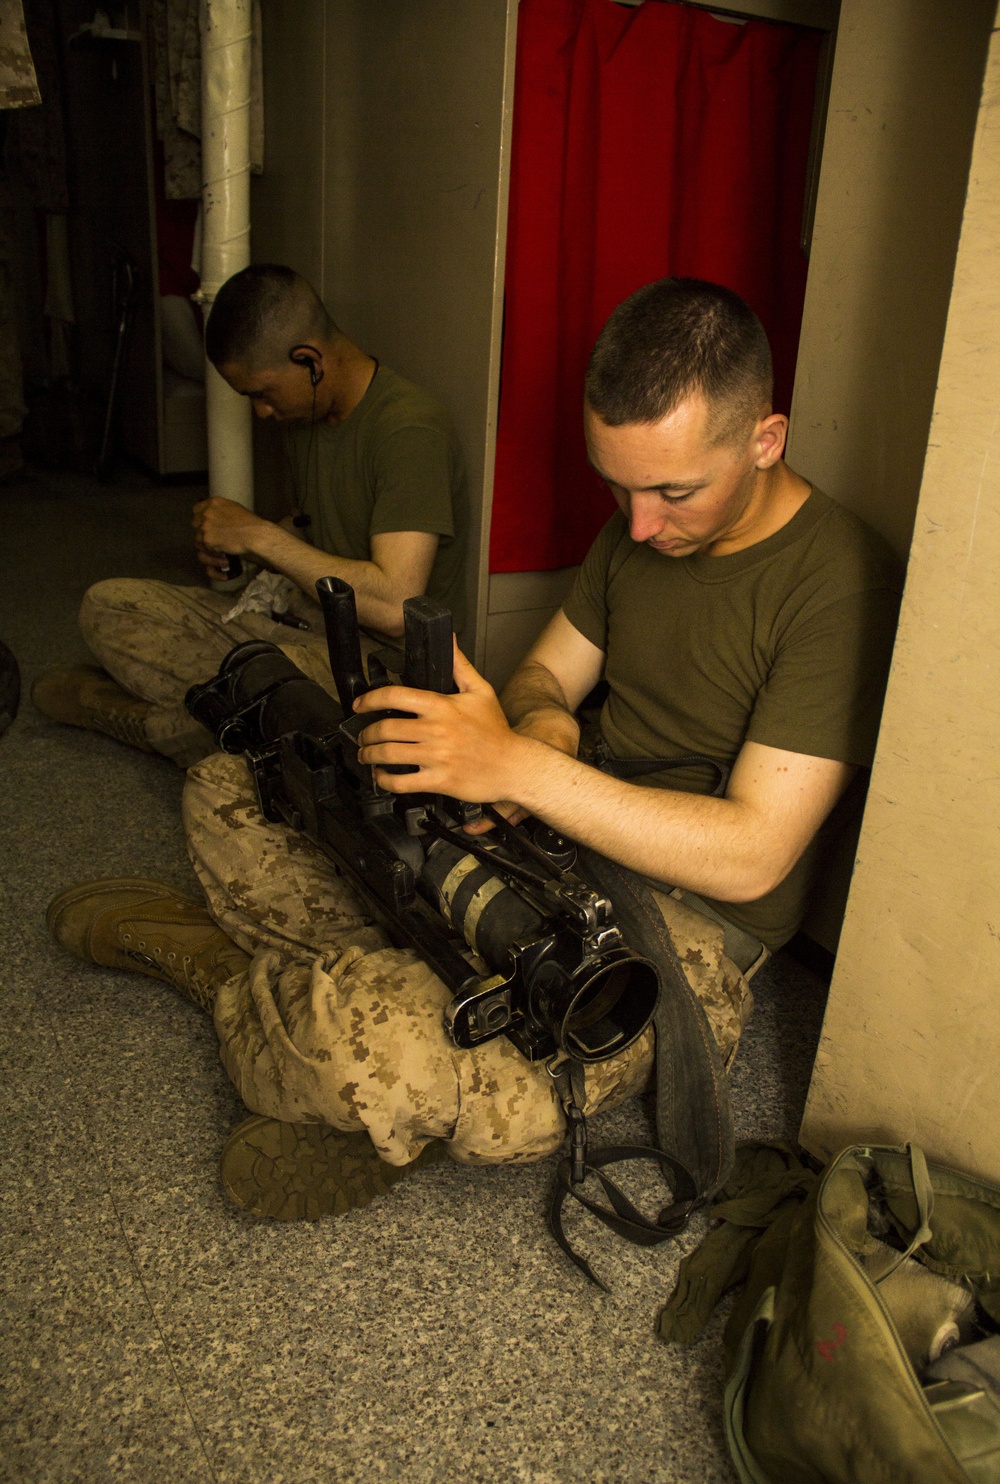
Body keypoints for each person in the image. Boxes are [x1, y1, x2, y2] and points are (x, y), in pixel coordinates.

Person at [46, 279, 901, 1222]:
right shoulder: (639, 532)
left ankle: (232, 978)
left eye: (673, 491)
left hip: (677, 926)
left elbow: (754, 854)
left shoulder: (839, 582)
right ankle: (369, 1004)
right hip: (553, 834)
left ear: (766, 440)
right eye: (617, 485)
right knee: (234, 791)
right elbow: (541, 681)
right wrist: (539, 730)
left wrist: (524, 769)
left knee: (365, 1047)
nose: (641, 522)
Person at [32, 264, 470, 767]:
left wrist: (260, 536)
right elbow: (314, 528)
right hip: (299, 626)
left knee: (287, 711)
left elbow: (395, 607)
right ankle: (219, 712)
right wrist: (239, 548)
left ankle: (137, 721)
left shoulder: (409, 430)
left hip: (377, 667)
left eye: (262, 393)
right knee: (107, 605)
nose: (261, 412)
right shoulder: (306, 412)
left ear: (310, 361)